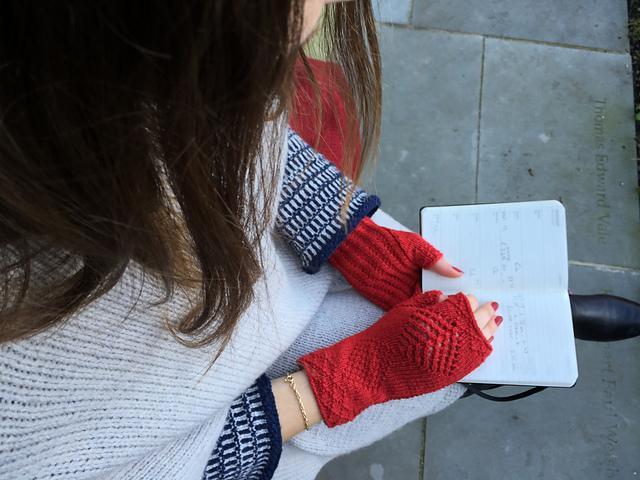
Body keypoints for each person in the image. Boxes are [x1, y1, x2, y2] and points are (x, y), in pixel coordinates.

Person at [0, 2, 638, 480]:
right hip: (247, 398)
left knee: (440, 301)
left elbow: (227, 126)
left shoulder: (100, 76)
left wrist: (347, 230)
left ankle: (521, 323)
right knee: (436, 357)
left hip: (256, 272)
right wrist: (359, 376)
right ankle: (503, 350)